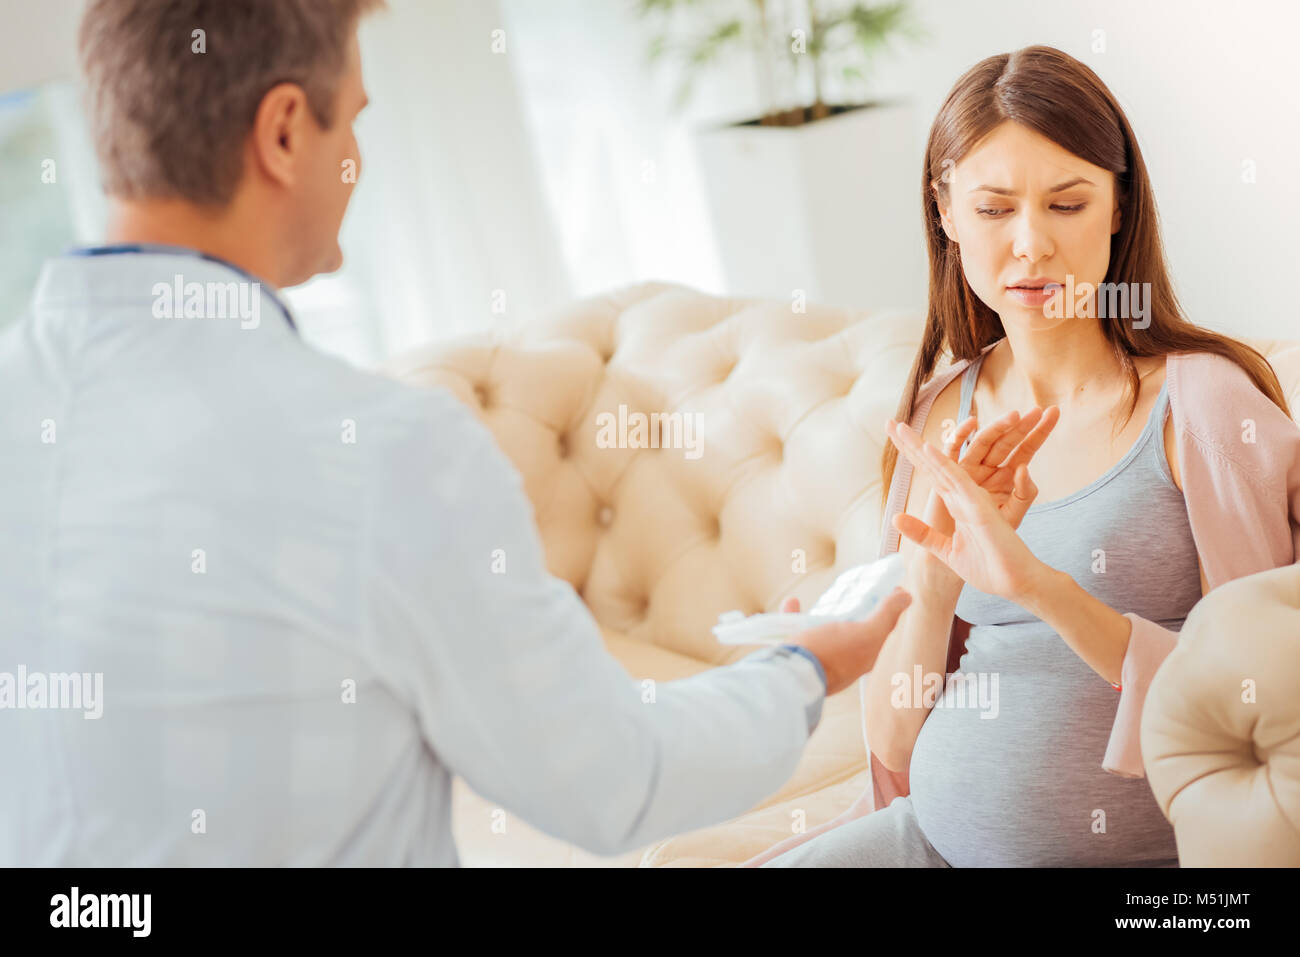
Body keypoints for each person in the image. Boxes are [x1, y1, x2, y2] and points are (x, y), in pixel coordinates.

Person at [0, 0, 921, 866]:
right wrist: (804, 665)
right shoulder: (383, 446)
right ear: (284, 132)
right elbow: (615, 781)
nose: (358, 154)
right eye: (351, 121)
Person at [756, 45, 1300, 867]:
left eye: (1067, 203)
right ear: (944, 211)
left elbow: (1261, 700)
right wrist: (933, 586)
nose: (1032, 244)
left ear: (1118, 207)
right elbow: (894, 742)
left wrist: (1037, 588)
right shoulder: (941, 413)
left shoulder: (1203, 406)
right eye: (994, 208)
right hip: (926, 840)